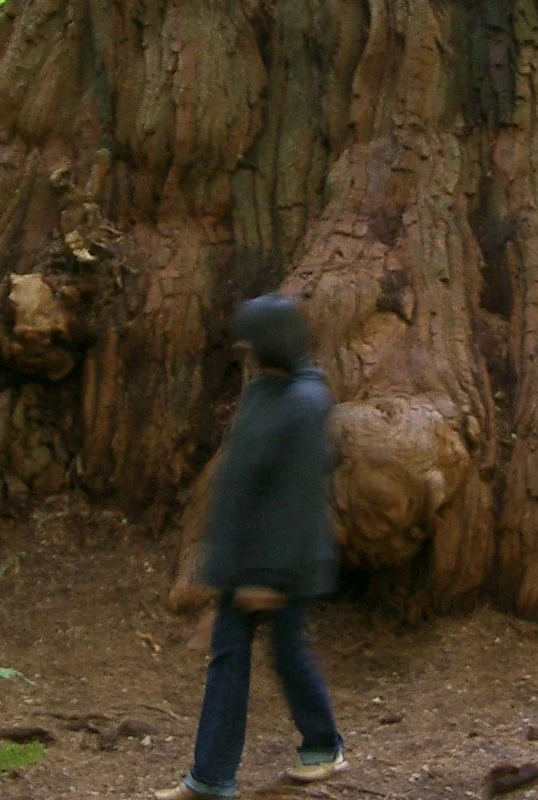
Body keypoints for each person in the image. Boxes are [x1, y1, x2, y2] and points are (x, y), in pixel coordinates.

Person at [156, 294, 345, 800]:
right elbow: (239, 481)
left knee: (287, 655)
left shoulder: (306, 402)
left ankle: (324, 745)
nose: (251, 353)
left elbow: (295, 498)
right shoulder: (262, 392)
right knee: (231, 659)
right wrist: (220, 564)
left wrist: (269, 578)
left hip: (286, 562)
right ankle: (212, 778)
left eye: (256, 343)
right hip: (245, 560)